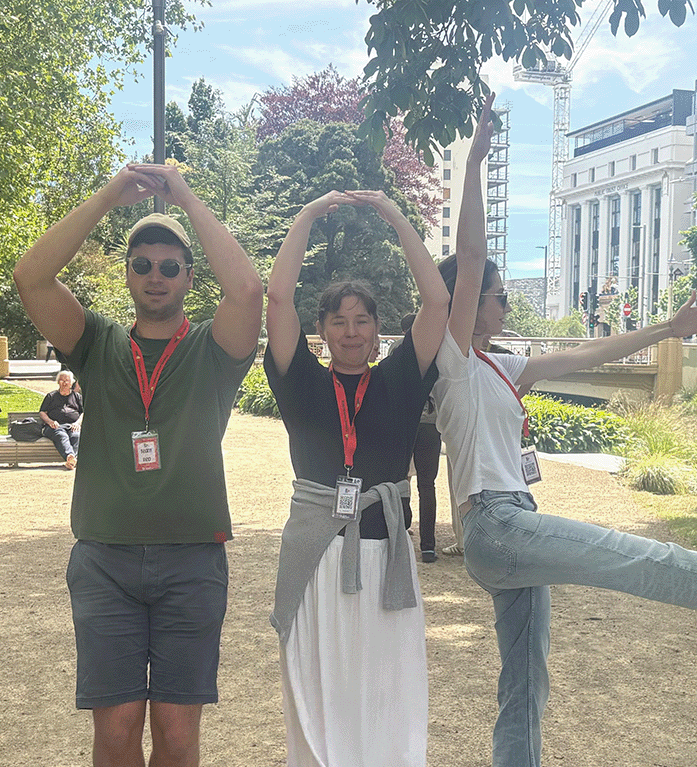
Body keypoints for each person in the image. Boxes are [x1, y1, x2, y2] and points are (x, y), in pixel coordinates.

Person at [433, 93, 697, 767]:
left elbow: (590, 354)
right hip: (495, 524)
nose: (505, 300)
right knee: (652, 560)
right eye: (496, 293)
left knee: (525, 683)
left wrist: (667, 329)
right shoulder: (453, 362)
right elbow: (473, 251)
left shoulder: (508, 366)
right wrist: (477, 164)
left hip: (510, 523)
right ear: (466, 302)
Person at [13, 163, 263, 767]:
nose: (157, 276)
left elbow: (250, 291)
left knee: (177, 736)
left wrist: (183, 195)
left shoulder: (213, 347)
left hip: (192, 562)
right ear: (128, 273)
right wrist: (109, 197)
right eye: (143, 264)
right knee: (117, 731)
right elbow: (30, 276)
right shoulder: (97, 340)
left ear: (188, 277)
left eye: (170, 266)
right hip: (106, 560)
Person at [264, 190, 448, 766]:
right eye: (338, 321)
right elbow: (276, 299)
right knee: (319, 687)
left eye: (361, 320)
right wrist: (305, 217)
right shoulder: (302, 382)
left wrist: (395, 217)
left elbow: (438, 301)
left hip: (387, 557)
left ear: (376, 331)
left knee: (387, 688)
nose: (350, 331)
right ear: (320, 330)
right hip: (319, 558)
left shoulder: (399, 378)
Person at [400, 313, 442, 563]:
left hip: (404, 423)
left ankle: (402, 529)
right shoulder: (436, 350)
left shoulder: (397, 350)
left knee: (401, 479)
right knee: (427, 485)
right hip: (430, 424)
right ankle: (428, 545)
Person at [39, 369, 84, 469]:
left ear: (71, 383)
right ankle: (70, 457)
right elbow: (42, 412)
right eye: (62, 380)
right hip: (55, 426)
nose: (65, 383)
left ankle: (71, 461)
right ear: (58, 382)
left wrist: (77, 423)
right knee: (61, 435)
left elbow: (83, 412)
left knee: (76, 436)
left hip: (72, 425)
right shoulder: (51, 396)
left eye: (67, 380)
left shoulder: (77, 397)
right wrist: (50, 421)